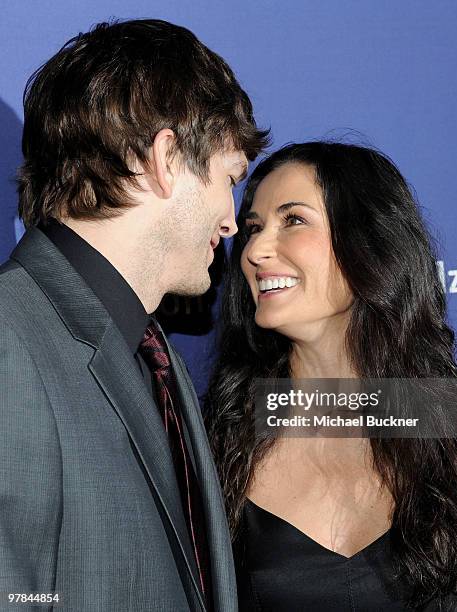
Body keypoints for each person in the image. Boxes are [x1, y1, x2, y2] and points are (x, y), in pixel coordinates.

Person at [0, 19, 268, 612]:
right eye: (229, 180)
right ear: (166, 158)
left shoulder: (154, 352)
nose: (230, 222)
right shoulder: (9, 341)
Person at [206, 142, 457, 611]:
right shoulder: (222, 438)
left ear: (367, 241)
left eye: (294, 220)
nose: (256, 250)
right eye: (253, 229)